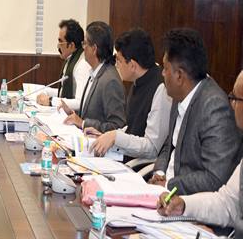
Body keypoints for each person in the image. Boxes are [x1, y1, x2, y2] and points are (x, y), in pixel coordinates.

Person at [149, 28, 241, 195]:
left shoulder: (214, 108)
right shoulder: (179, 94)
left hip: (187, 201)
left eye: (165, 68)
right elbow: (170, 144)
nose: (162, 73)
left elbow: (215, 178)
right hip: (162, 191)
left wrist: (168, 184)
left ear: (179, 76)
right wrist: (159, 173)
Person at [157, 70, 243, 236]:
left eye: (235, 98)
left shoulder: (213, 105)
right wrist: (184, 205)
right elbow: (228, 204)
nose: (231, 104)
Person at [87, 28, 172, 159]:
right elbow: (132, 127)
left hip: (140, 164)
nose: (116, 65)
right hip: (126, 156)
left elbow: (151, 148)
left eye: (119, 60)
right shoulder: (137, 81)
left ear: (132, 65)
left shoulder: (161, 89)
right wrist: (106, 136)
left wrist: (115, 137)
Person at [62, 21, 126, 132]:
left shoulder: (110, 81)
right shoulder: (95, 72)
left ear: (94, 49)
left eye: (85, 43)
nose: (83, 47)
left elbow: (117, 126)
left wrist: (83, 123)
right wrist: (73, 114)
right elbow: (91, 113)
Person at [36, 19, 90, 112]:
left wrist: (51, 101)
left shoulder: (81, 65)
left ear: (71, 45)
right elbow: (63, 92)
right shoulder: (70, 59)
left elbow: (79, 102)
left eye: (61, 42)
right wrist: (46, 91)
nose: (58, 46)